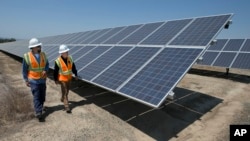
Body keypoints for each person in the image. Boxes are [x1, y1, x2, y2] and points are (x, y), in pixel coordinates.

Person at [22, 38, 49, 121]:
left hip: (42, 79)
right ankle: (38, 112)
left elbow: (47, 64)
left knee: (42, 96)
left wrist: (45, 70)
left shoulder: (43, 55)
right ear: (33, 47)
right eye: (38, 46)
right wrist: (26, 80)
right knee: (36, 96)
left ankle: (40, 106)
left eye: (39, 46)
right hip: (33, 80)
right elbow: (24, 69)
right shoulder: (27, 56)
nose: (40, 47)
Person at [53, 44, 78, 113]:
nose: (67, 53)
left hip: (69, 78)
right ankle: (67, 106)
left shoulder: (70, 58)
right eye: (65, 52)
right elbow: (55, 71)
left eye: (67, 51)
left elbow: (73, 67)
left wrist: (75, 74)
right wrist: (56, 80)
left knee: (66, 92)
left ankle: (62, 98)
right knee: (65, 91)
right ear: (62, 53)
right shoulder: (58, 61)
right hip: (62, 79)